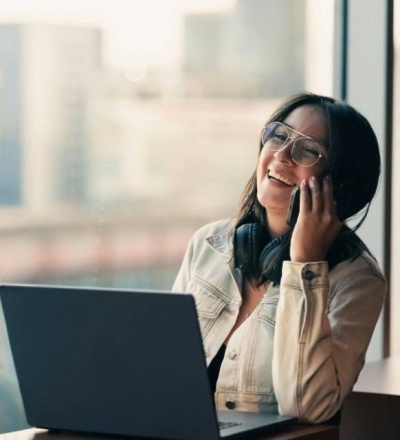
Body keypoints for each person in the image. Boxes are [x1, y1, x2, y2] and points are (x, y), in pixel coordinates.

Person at [172, 92, 386, 425]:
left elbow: (307, 408)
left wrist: (305, 265)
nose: (282, 154)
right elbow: (162, 370)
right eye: (280, 136)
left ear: (339, 185)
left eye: (308, 150)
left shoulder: (357, 281)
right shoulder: (209, 244)